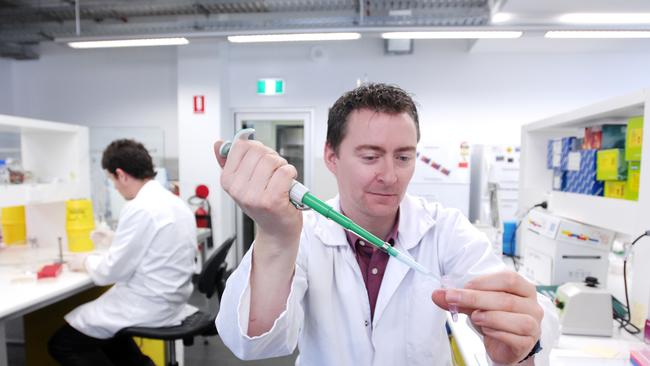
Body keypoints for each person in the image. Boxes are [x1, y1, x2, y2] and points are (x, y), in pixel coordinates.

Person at [214, 83, 559, 365]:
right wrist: (275, 236)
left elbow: (527, 314)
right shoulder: (303, 234)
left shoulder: (445, 229)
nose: (391, 176)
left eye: (404, 157)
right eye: (370, 156)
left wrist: (522, 345)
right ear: (332, 157)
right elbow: (254, 343)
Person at [48, 139, 198, 366]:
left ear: (121, 175)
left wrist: (85, 261)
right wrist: (114, 240)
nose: (115, 188)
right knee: (108, 333)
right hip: (170, 299)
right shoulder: (173, 202)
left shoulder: (140, 206)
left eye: (111, 180)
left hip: (150, 303)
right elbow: (153, 248)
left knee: (63, 343)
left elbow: (109, 272)